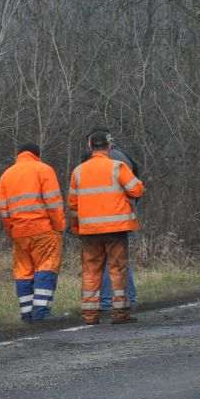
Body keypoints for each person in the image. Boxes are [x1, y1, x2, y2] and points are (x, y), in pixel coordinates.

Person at [68, 130, 145, 324]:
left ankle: (90, 315)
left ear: (89, 146)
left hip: (89, 231)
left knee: (90, 271)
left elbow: (73, 204)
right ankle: (120, 313)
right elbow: (137, 189)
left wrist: (77, 227)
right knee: (117, 269)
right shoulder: (117, 167)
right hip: (116, 228)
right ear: (110, 146)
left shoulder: (78, 171)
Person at [0, 144, 65, 321]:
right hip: (43, 229)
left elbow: (4, 211)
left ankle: (26, 313)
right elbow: (53, 203)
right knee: (46, 266)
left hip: (18, 232)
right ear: (37, 155)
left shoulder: (6, 175)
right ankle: (41, 312)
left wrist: (11, 231)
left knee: (23, 271)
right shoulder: (44, 170)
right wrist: (58, 227)